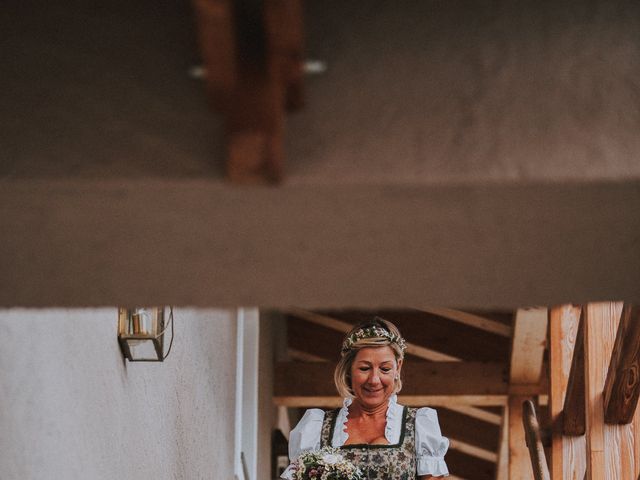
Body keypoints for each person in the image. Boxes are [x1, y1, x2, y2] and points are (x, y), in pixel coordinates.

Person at [282, 317, 449, 479]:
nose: (374, 380)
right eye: (364, 368)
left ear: (398, 368)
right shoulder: (316, 428)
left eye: (384, 369)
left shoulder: (418, 425)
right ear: (349, 369)